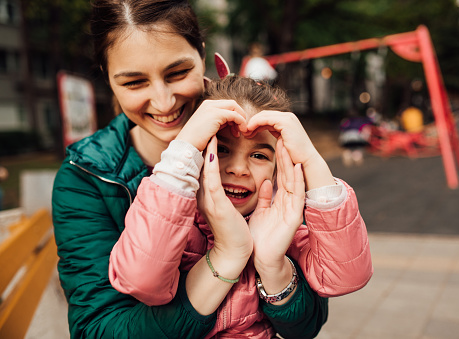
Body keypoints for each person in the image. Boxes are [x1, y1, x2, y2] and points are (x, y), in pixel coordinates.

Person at [51, 1, 338, 338]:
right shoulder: (87, 177)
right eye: (134, 83)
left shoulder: (255, 139)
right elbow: (96, 330)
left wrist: (274, 269)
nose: (163, 102)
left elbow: (307, 323)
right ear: (107, 78)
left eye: (177, 73)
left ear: (202, 54)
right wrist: (227, 257)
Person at [109, 76, 373, 337]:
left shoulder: (282, 227)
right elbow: (140, 280)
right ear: (196, 155)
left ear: (276, 169)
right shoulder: (174, 226)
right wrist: (183, 149)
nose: (238, 169)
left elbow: (347, 276)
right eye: (221, 149)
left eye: (259, 155)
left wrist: (310, 159)